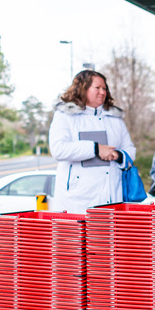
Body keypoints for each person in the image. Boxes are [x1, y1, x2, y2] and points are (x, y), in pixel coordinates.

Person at [49, 70, 136, 214]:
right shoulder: (65, 116)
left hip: (111, 198)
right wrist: (96, 148)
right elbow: (58, 149)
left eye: (105, 88)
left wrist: (118, 155)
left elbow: (130, 149)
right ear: (83, 88)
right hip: (76, 202)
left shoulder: (115, 119)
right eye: (97, 88)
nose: (102, 92)